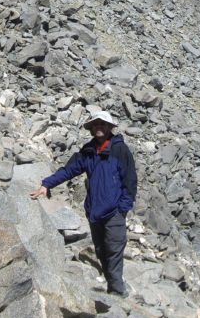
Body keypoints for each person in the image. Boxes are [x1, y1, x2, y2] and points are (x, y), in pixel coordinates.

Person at [30, 110, 137, 298]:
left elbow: (130, 180)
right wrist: (47, 184)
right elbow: (69, 170)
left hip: (114, 212)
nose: (98, 127)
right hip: (95, 211)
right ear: (91, 128)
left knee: (114, 249)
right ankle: (114, 287)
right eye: (95, 124)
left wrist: (122, 209)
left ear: (110, 127)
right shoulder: (88, 151)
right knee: (100, 250)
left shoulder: (120, 149)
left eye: (102, 124)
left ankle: (117, 292)